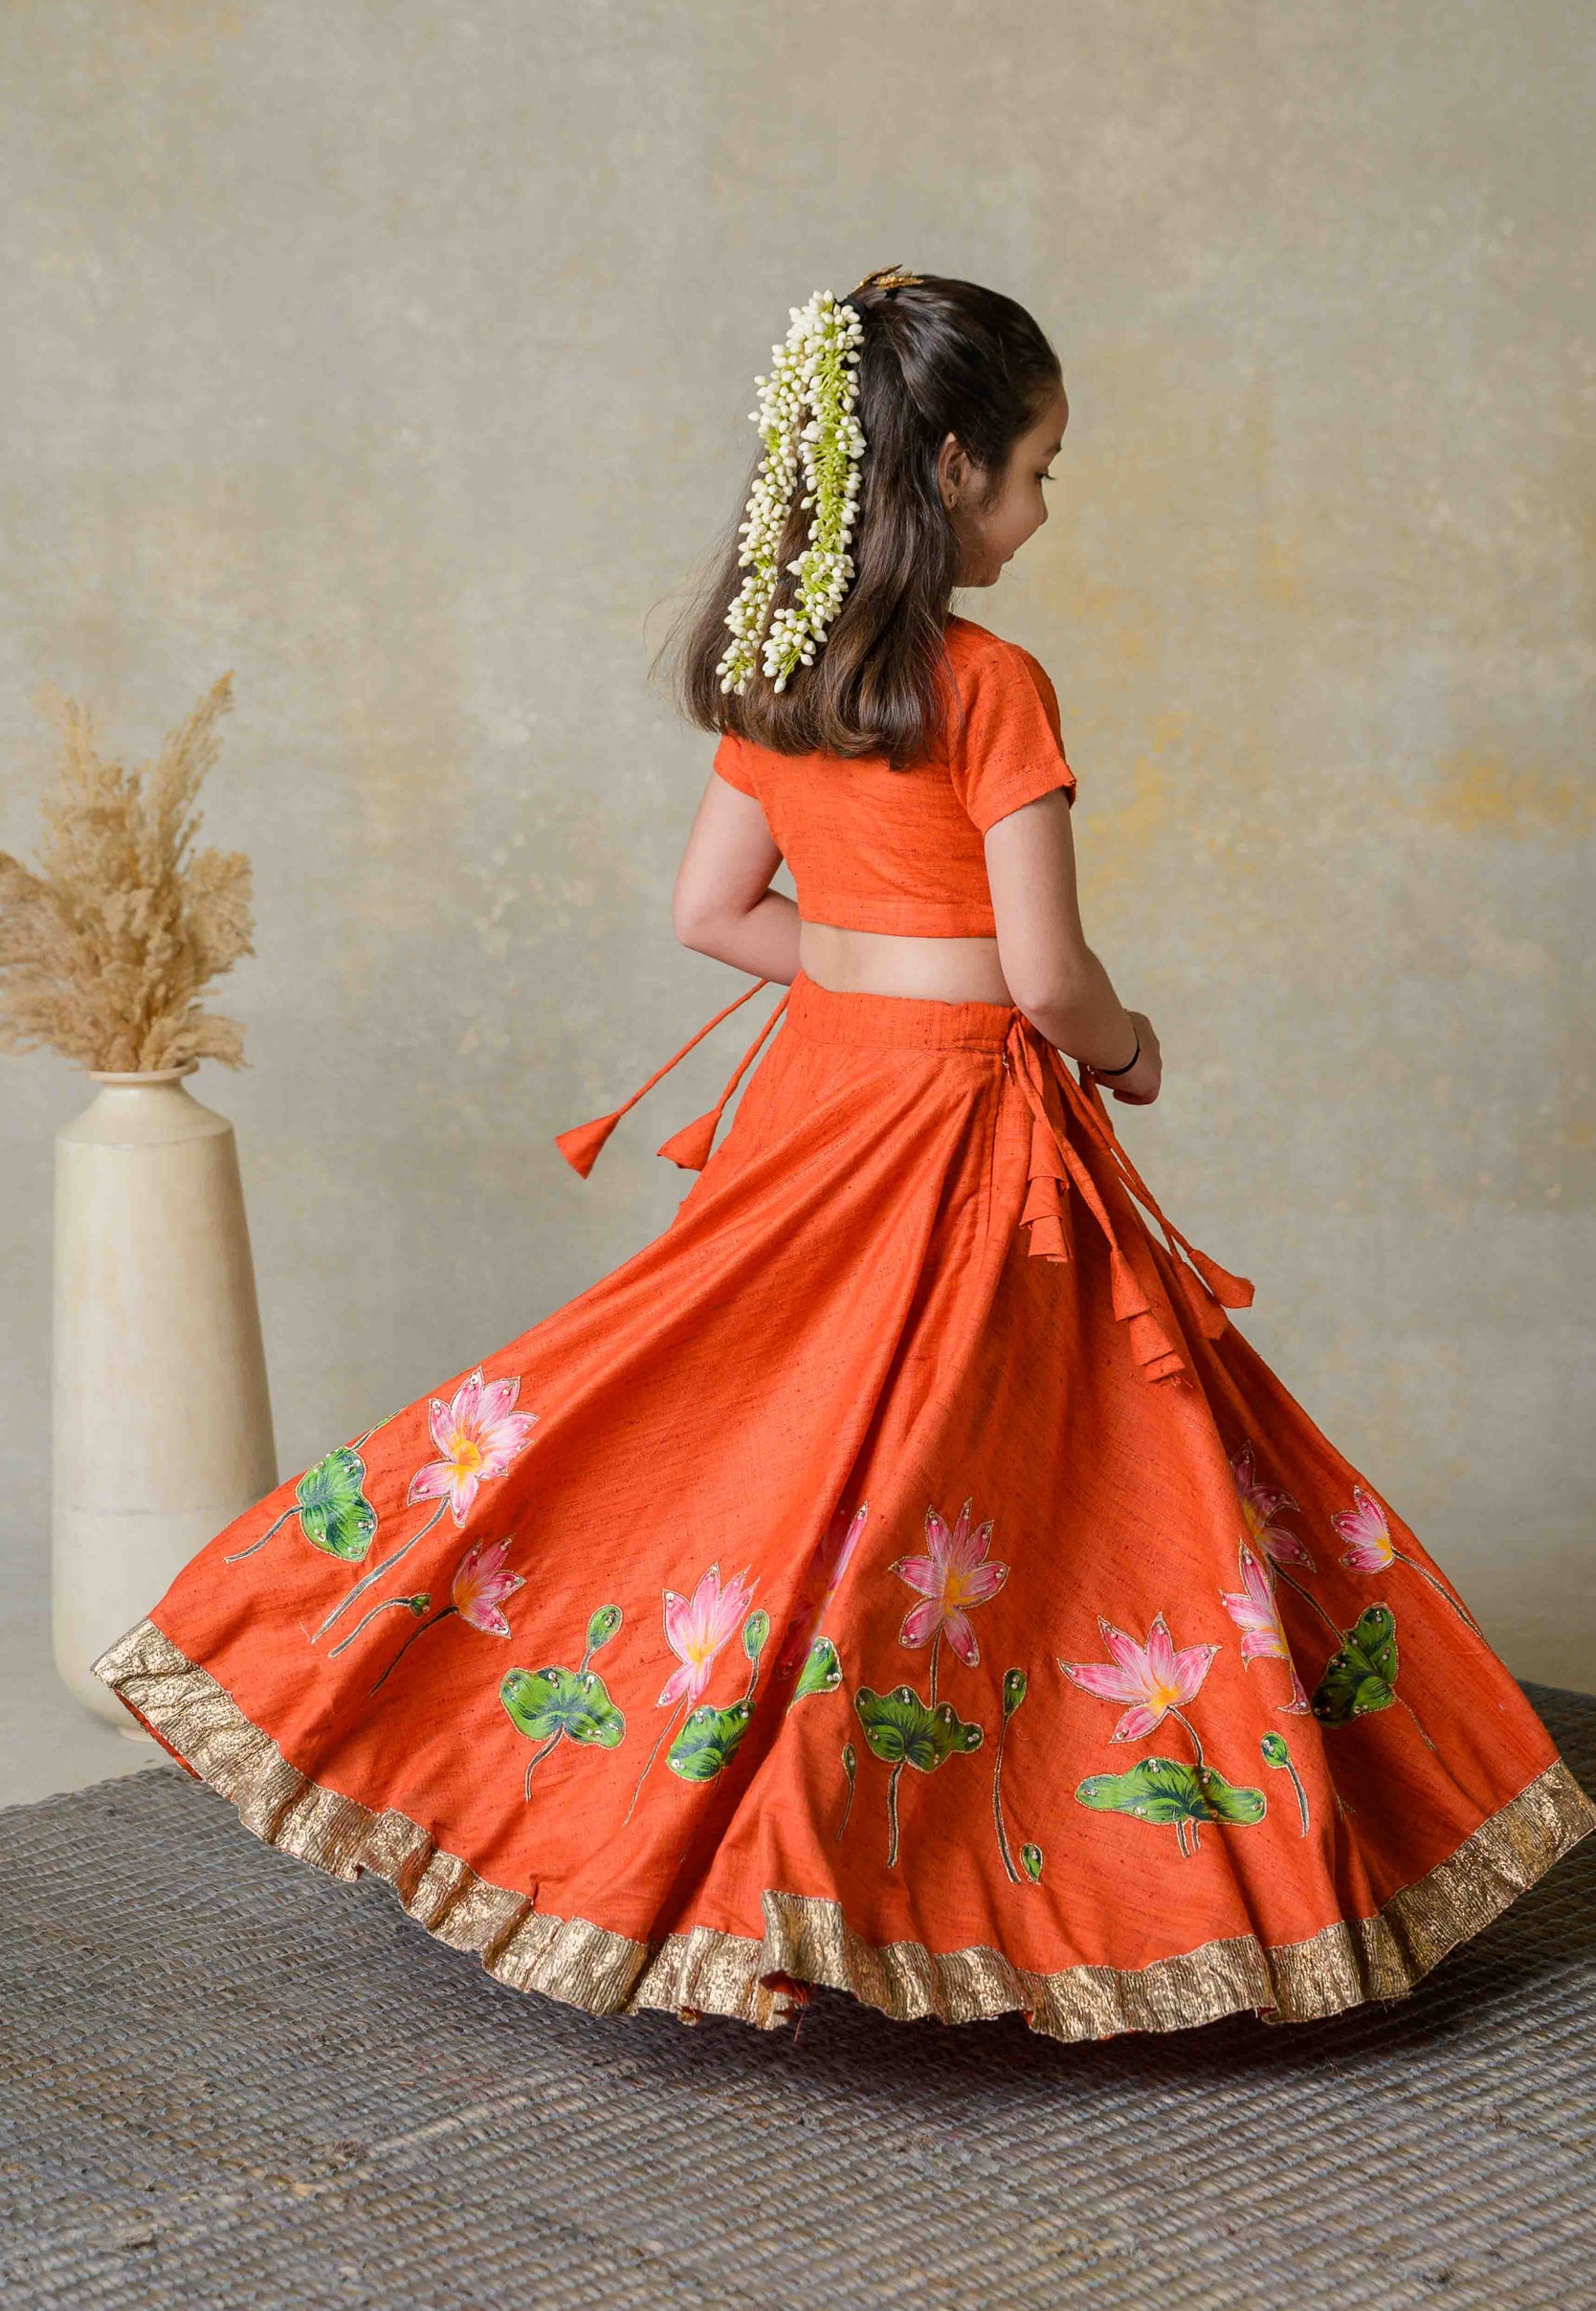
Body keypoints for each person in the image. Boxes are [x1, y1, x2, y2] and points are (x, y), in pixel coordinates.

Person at [97, 267, 1594, 2042]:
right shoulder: (995, 683)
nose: (1043, 510)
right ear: (950, 466)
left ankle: (678, 1813)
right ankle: (961, 1860)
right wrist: (1124, 1048)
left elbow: (708, 908)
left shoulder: (780, 669)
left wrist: (875, 975)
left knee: (758, 1436)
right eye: (1037, 470)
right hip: (959, 1133)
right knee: (1018, 1478)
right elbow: (1045, 973)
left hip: (819, 1104)